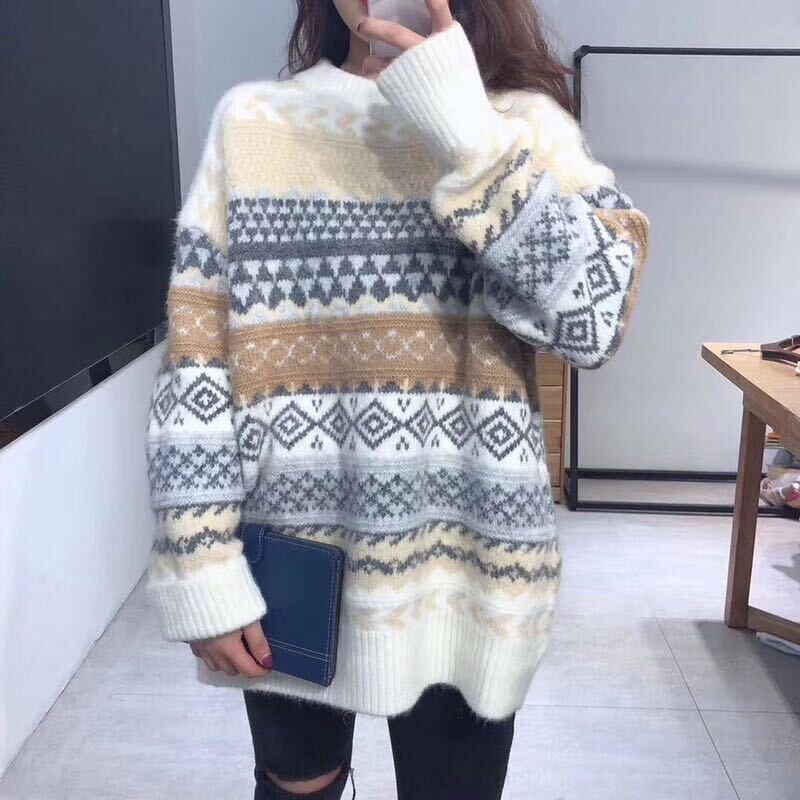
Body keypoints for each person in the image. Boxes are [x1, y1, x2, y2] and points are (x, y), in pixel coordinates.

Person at [145, 1, 649, 797]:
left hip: (471, 571)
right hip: (292, 566)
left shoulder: (519, 127)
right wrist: (201, 564)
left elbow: (593, 320)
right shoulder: (253, 124)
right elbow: (195, 368)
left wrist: (463, 128)